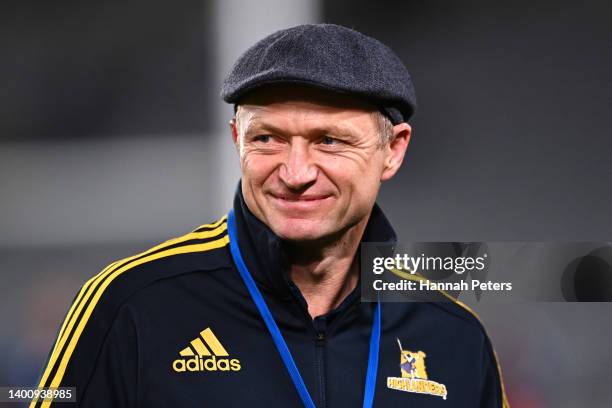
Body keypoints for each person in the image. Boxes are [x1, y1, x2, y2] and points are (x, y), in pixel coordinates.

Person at [31, 24, 509, 407]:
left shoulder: (454, 335)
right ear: (237, 140)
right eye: (268, 138)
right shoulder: (128, 304)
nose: (295, 172)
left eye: (330, 140)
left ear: (393, 150)